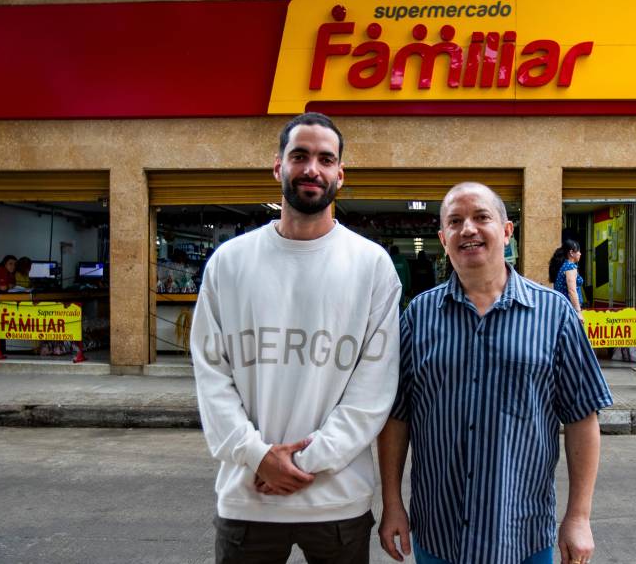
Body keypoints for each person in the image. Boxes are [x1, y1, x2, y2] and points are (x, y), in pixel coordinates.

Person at [190, 112, 401, 564]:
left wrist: (300, 464)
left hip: (337, 500)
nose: (312, 169)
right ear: (278, 167)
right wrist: (256, 455)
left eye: (326, 159)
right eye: (299, 156)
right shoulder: (229, 263)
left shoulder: (371, 265)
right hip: (248, 496)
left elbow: (374, 391)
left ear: (340, 175)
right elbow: (211, 375)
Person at [377, 182, 613, 564]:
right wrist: (392, 504)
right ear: (443, 238)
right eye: (455, 221)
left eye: (481, 217)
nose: (467, 229)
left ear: (506, 231)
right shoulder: (417, 317)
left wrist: (579, 517)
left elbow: (583, 418)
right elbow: (397, 417)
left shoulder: (555, 316)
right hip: (438, 533)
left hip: (522, 534)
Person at [549, 239, 584, 319]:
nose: (580, 254)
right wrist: (578, 312)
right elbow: (572, 291)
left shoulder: (562, 266)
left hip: (562, 307)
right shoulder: (570, 267)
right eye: (578, 251)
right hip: (569, 309)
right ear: (571, 253)